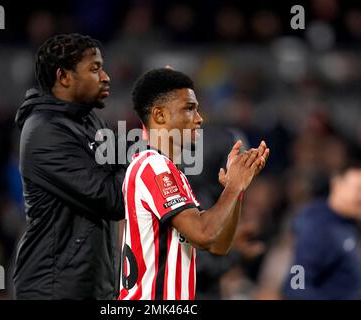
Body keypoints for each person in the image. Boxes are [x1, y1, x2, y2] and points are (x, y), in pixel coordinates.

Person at [118, 68, 269, 300]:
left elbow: (219, 245)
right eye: (189, 108)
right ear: (159, 116)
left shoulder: (171, 172)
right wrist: (233, 187)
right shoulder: (153, 167)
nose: (199, 119)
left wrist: (236, 188)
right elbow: (203, 234)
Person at [13, 33, 126, 299]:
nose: (106, 76)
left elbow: (128, 155)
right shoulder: (45, 132)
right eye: (95, 68)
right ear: (63, 77)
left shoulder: (90, 121)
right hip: (54, 290)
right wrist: (147, 147)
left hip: (91, 286)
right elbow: (114, 198)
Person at [282, 162, 361, 300]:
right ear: (337, 184)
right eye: (358, 189)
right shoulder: (318, 227)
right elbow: (295, 286)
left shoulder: (346, 222)